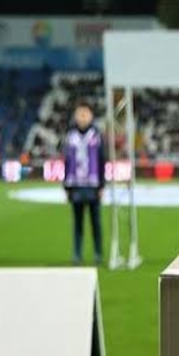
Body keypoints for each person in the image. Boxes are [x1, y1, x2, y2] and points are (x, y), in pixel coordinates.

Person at [63, 101, 106, 265]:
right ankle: (77, 254)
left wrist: (102, 185)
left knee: (96, 223)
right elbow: (67, 161)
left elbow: (102, 160)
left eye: (85, 114)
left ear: (91, 116)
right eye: (79, 114)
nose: (82, 117)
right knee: (78, 223)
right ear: (75, 116)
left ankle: (98, 254)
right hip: (76, 185)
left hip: (93, 185)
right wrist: (66, 186)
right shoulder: (70, 135)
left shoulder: (96, 135)